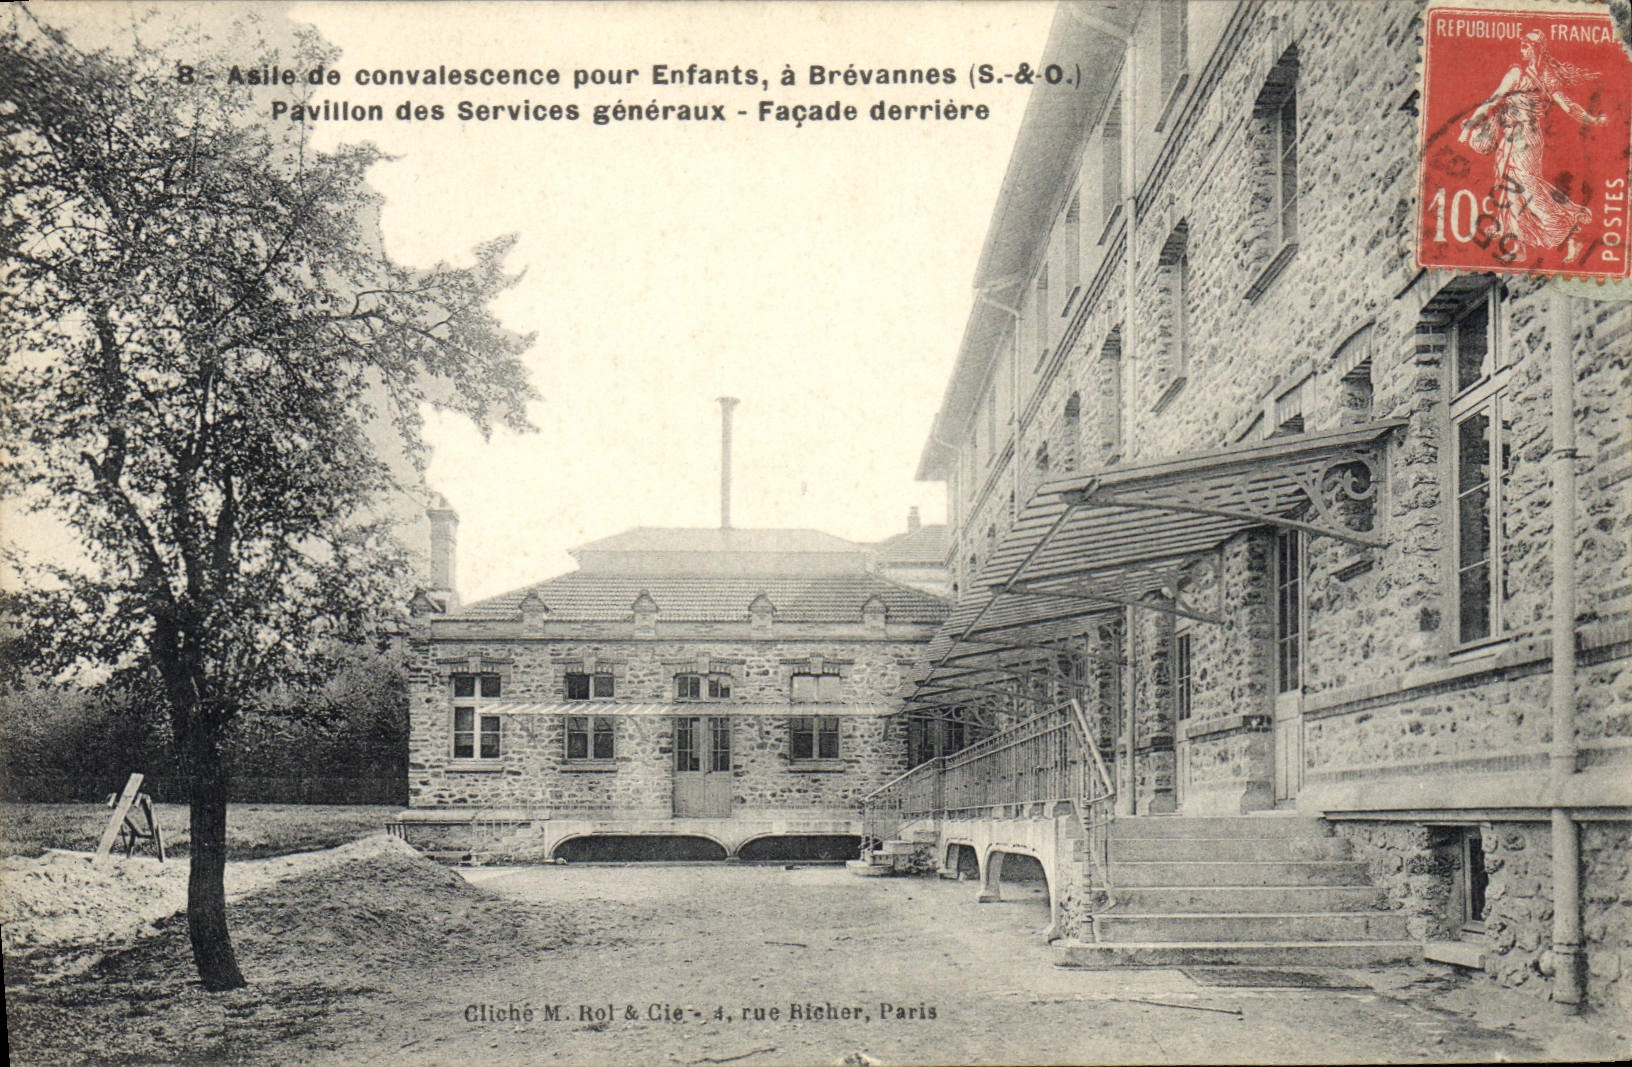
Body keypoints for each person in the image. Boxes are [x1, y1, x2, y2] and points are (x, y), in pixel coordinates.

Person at [1459, 29, 1606, 263]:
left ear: (1536, 49)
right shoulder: (1527, 73)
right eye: (1521, 46)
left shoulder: (1537, 75)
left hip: (1525, 138)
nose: (1522, 50)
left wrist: (1591, 120)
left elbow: (1567, 105)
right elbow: (1493, 101)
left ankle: (1568, 231)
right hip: (1515, 136)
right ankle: (1518, 245)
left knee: (1527, 189)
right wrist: (1470, 127)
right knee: (1513, 190)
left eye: (1526, 46)